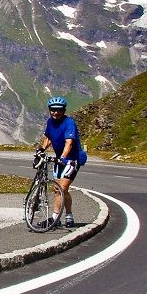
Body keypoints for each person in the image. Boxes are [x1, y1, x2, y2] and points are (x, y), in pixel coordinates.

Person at [36, 95, 87, 227]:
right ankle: (69, 216)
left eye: (59, 110)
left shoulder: (69, 123)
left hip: (72, 159)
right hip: (60, 159)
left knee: (61, 188)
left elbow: (69, 143)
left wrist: (63, 157)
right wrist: (41, 148)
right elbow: (48, 137)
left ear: (64, 110)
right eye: (53, 109)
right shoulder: (50, 122)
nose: (56, 112)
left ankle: (54, 218)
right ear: (49, 109)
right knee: (58, 189)